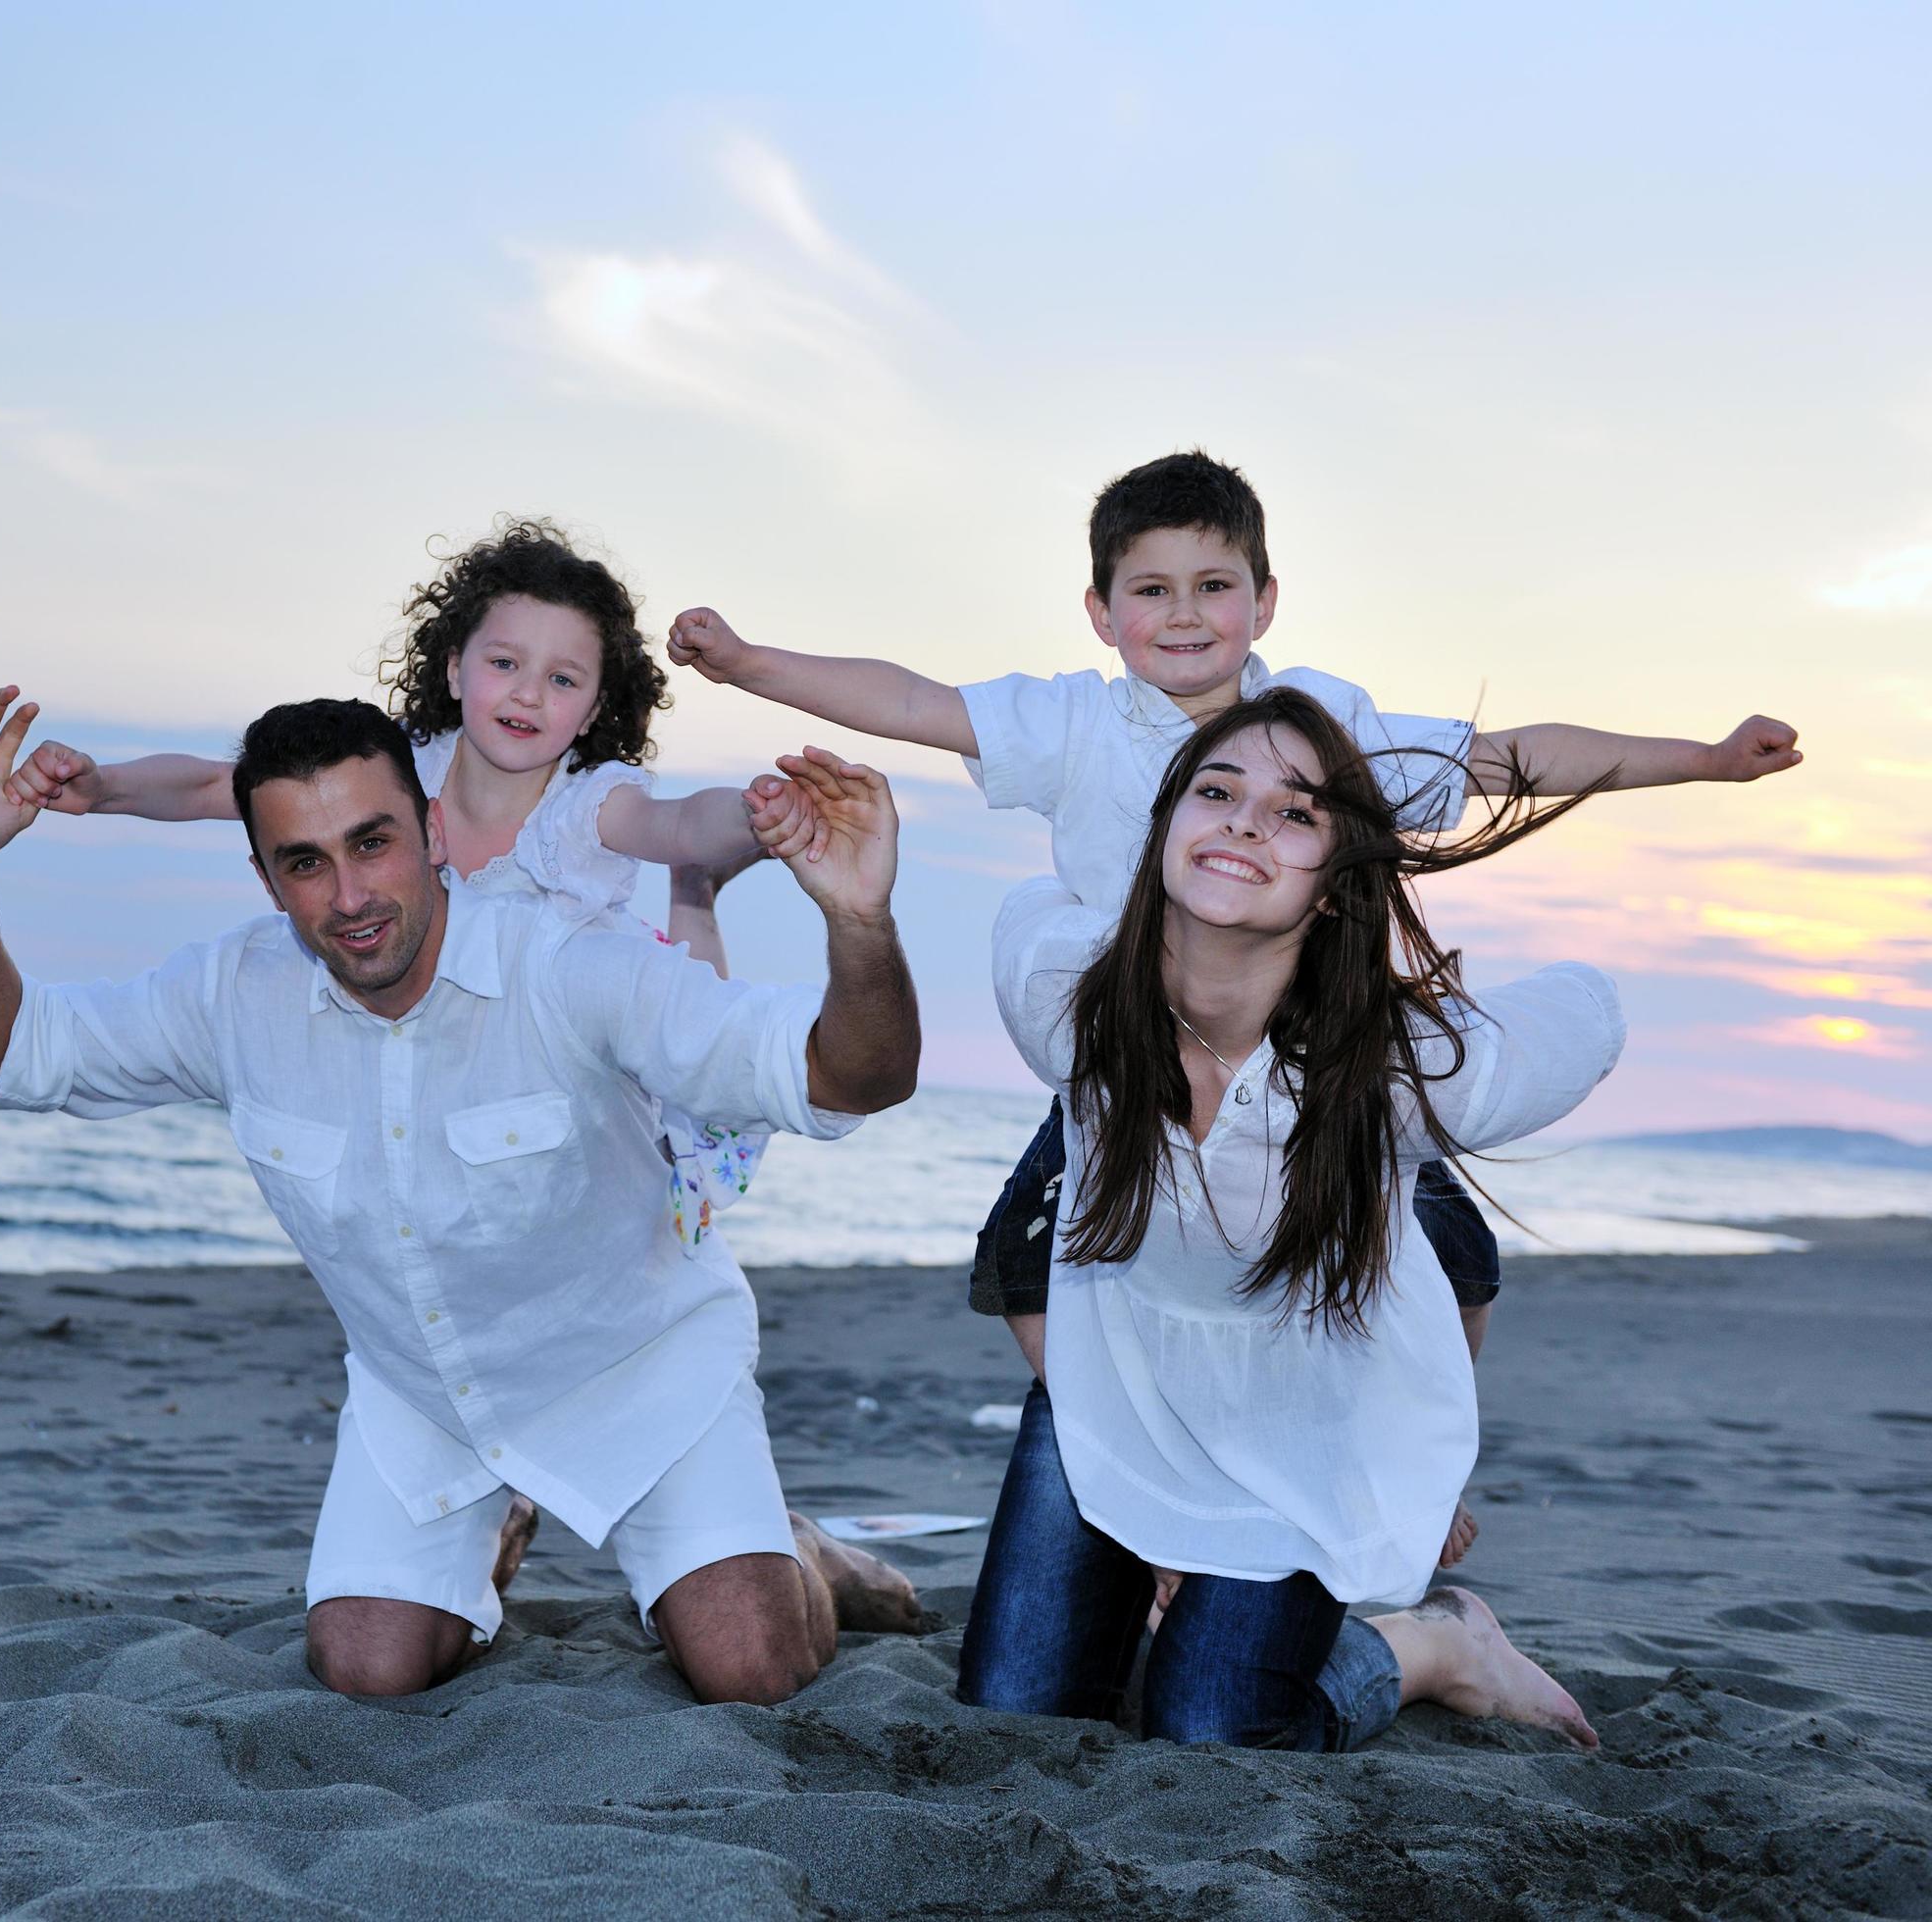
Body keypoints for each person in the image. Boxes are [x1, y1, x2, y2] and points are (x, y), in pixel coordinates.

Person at [666, 448, 1802, 1566]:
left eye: (1214, 586)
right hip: (1131, 1067)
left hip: (1310, 1059)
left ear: (1264, 599)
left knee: (1446, 1240)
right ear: (1102, 613)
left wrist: (1702, 759)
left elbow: (1506, 758)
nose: (1184, 614)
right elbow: (914, 700)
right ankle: (1142, 1441)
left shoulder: (1323, 725)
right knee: (1022, 1249)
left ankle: (1425, 1455)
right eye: (1150, 589)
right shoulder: (1078, 727)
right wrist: (750, 663)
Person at [0, 687, 923, 1704]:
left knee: (749, 1666)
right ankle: (499, 1522)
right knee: (364, 1667)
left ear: (434, 830)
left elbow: (852, 1074)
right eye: (305, 862)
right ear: (264, 877)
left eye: (373, 842)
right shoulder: (233, 992)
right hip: (429, 1394)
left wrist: (861, 923)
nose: (350, 894)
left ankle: (799, 1549)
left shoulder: (568, 967)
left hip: (642, 1371)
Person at [959, 685, 1614, 1748]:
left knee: (1216, 1731)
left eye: (1297, 811)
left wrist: (1441, 1026)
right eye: (1216, 790)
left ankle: (1431, 1646)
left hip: (1303, 1432)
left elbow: (1587, 1009)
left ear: (1330, 889)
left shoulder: (1405, 1078)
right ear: (1163, 830)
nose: (1246, 820)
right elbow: (1027, 907)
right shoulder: (1066, 1003)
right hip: (1114, 1396)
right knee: (1013, 1722)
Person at [2, 520, 789, 1245]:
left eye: (562, 680)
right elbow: (219, 787)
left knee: (686, 1112)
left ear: (590, 710)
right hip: (457, 1025)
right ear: (454, 667)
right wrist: (103, 788)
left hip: (565, 1020)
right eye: (505, 663)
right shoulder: (406, 769)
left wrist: (761, 812)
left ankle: (697, 893)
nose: (526, 693)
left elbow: (684, 823)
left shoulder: (591, 806)